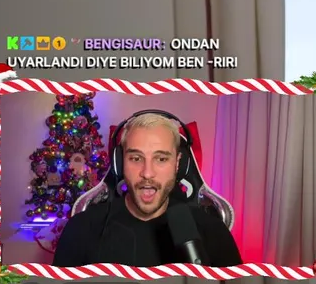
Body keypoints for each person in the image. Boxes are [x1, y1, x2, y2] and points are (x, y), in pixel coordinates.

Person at [53, 112, 242, 267]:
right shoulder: (81, 229)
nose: (147, 173)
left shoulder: (213, 232)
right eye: (136, 158)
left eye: (161, 159)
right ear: (120, 163)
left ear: (178, 164)